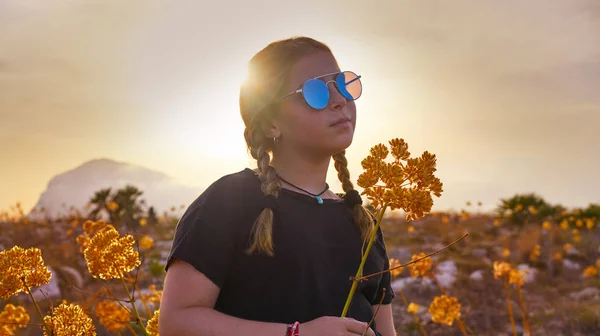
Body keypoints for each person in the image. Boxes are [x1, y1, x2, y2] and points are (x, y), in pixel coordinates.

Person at [159, 36, 396, 336]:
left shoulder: (364, 222)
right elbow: (176, 322)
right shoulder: (229, 201)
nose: (339, 100)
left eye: (343, 83)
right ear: (272, 123)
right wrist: (296, 333)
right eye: (316, 91)